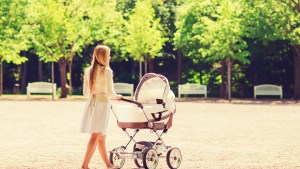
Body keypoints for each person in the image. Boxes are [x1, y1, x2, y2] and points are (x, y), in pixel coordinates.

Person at [80, 45, 122, 169]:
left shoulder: (88, 70)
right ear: (104, 56)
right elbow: (111, 92)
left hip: (91, 104)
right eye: (108, 54)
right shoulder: (107, 71)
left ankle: (108, 165)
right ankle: (84, 165)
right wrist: (117, 96)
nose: (110, 56)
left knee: (101, 136)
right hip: (102, 104)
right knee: (96, 135)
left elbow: (85, 92)